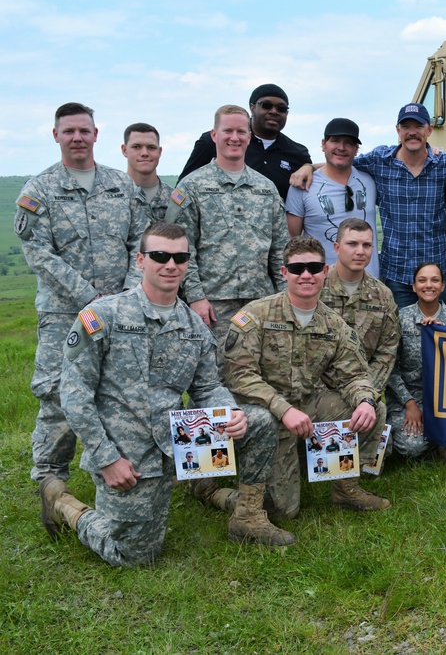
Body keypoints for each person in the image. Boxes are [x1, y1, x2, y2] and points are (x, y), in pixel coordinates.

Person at [42, 222, 292, 568]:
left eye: (179, 257)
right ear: (140, 260)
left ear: (188, 263)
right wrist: (106, 458)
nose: (170, 265)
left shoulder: (193, 327)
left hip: (178, 440)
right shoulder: (103, 316)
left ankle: (246, 517)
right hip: (127, 451)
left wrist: (228, 411)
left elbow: (207, 386)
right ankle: (63, 503)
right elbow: (74, 392)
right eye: (160, 256)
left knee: (258, 421)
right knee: (133, 556)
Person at [15, 102, 147, 492]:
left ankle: (122, 464)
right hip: (63, 313)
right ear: (56, 135)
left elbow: (138, 243)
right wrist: (90, 297)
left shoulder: (121, 186)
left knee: (119, 387)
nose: (77, 138)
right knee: (58, 391)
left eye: (83, 131)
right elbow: (39, 253)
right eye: (69, 131)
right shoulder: (39, 189)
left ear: (95, 134)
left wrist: (125, 295)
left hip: (120, 309)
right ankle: (51, 477)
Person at [212, 235, 389, 520]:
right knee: (282, 511)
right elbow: (238, 376)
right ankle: (212, 491)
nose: (306, 275)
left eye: (314, 268)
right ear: (284, 273)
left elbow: (354, 374)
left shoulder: (333, 324)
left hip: (306, 406)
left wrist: (365, 400)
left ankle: (345, 487)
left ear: (325, 271)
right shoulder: (255, 316)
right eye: (297, 269)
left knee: (372, 409)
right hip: (264, 415)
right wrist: (284, 410)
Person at [292, 102, 446, 309]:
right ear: (398, 130)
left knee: (440, 338)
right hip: (397, 274)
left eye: (418, 126)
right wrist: (308, 166)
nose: (412, 132)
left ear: (429, 130)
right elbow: (341, 160)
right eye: (406, 126)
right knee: (400, 337)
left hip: (438, 271)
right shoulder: (380, 161)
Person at [167, 105, 289, 357]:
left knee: (261, 377)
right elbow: (181, 250)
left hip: (260, 303)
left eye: (241, 132)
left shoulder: (266, 189)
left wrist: (284, 299)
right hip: (212, 305)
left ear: (249, 137)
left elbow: (280, 250)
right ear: (214, 135)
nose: (235, 137)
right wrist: (195, 297)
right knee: (213, 381)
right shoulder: (192, 186)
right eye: (228, 131)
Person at [386, 262, 446, 459]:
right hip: (412, 395)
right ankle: (429, 434)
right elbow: (390, 368)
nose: (428, 285)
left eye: (435, 280)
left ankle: (440, 435)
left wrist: (444, 335)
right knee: (411, 447)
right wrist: (409, 403)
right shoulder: (399, 319)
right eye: (422, 280)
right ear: (413, 286)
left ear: (443, 286)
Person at [178, 84, 311, 201]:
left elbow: (326, 173)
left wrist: (310, 166)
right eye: (266, 105)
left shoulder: (297, 153)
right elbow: (183, 188)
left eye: (281, 108)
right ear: (252, 107)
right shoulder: (215, 141)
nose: (274, 111)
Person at [286, 118, 380, 276]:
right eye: (335, 141)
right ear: (323, 144)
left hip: (368, 286)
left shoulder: (369, 181)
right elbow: (292, 242)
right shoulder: (302, 186)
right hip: (322, 286)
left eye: (349, 143)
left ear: (356, 149)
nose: (341, 148)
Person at [319, 218, 400, 396]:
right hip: (316, 394)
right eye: (352, 244)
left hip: (364, 391)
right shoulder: (315, 287)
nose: (360, 251)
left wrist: (364, 393)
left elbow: (386, 353)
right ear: (337, 247)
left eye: (367, 245)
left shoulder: (383, 296)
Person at [122, 123, 174, 222]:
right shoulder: (109, 197)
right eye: (136, 147)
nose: (144, 153)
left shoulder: (175, 200)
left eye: (151, 147)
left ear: (159, 152)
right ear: (124, 150)